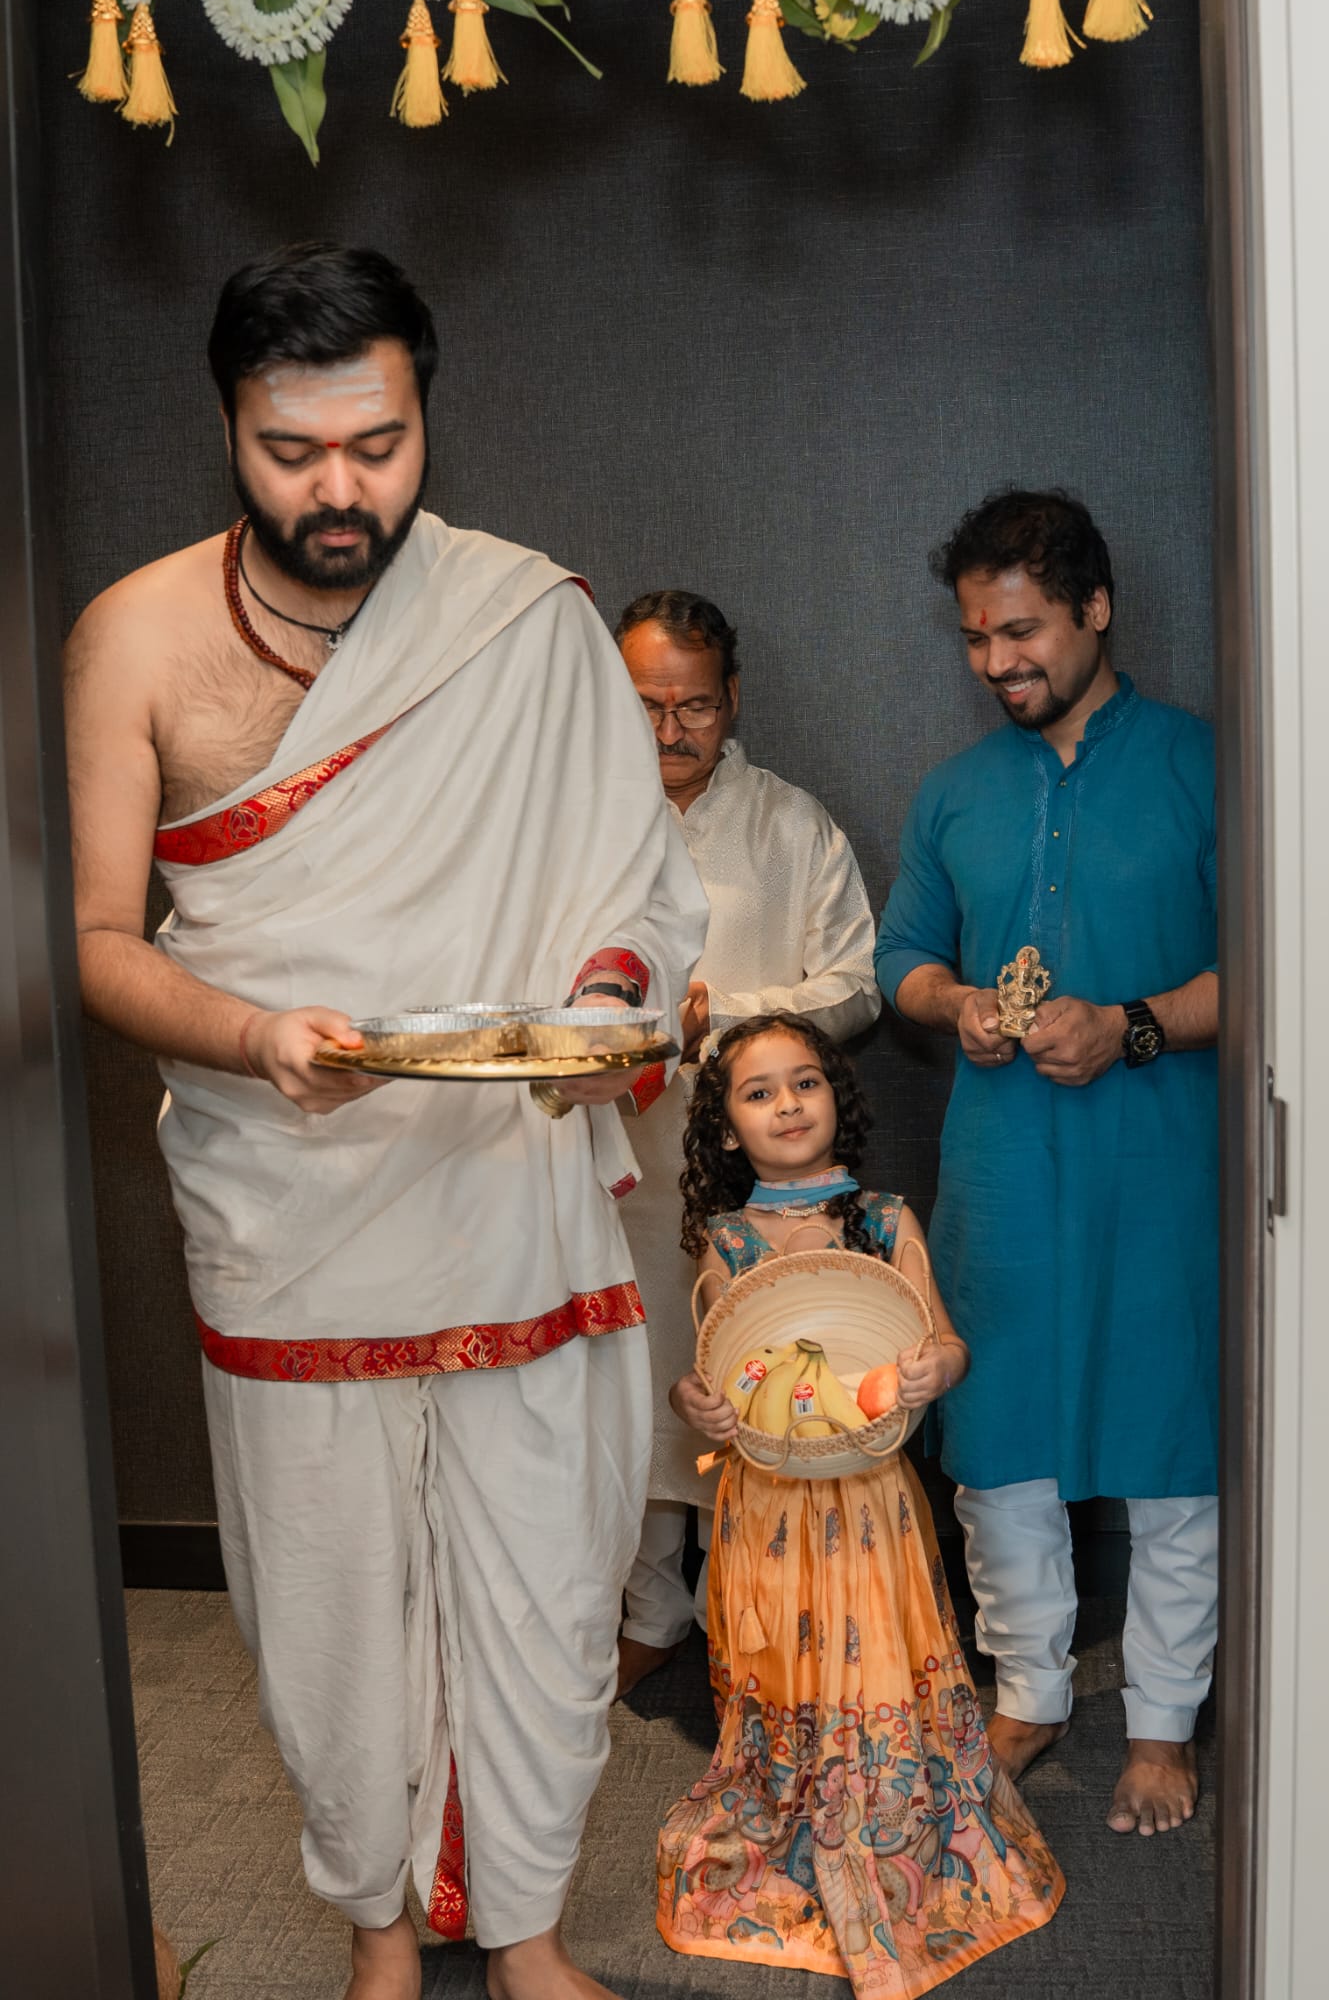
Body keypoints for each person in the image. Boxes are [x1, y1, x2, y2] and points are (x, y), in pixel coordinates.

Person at [62, 242, 709, 2000]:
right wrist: (262, 1035)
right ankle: (375, 1926)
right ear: (228, 424)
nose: (340, 486)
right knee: (335, 1593)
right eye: (293, 450)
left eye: (379, 441)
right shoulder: (134, 636)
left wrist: (593, 1010)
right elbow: (100, 943)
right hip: (287, 1192)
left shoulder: (523, 618)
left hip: (506, 1176)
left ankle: (524, 1931)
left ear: (425, 414)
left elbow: (639, 884)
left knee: (537, 1569)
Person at [875, 488, 1219, 1840]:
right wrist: (952, 1003)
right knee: (999, 1443)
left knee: (1171, 1448)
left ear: (1095, 609)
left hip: (1161, 1174)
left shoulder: (1201, 764)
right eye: (974, 639)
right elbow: (896, 958)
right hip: (1004, 1175)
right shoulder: (953, 793)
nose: (996, 661)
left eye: (1020, 632)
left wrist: (1132, 1024)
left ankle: (1161, 1724)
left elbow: (1283, 968)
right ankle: (1024, 1691)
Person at [658, 1012, 1064, 1992]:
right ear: (725, 1128)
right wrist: (694, 1399)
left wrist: (934, 1367)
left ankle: (875, 1811)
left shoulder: (883, 1218)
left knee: (872, 1654)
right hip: (769, 1504)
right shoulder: (725, 1237)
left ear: (839, 1096)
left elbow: (945, 1341)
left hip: (869, 1497)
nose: (789, 1103)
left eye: (807, 1081)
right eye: (759, 1092)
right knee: (790, 1661)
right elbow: (711, 1373)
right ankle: (800, 1792)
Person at [612, 591, 879, 1696]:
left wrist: (714, 1023)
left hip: (758, 1170)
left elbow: (857, 985)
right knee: (629, 1379)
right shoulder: (570, 817)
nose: (671, 730)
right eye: (645, 706)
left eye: (696, 708)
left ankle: (748, 1613)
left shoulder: (790, 822)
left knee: (747, 1372)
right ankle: (648, 1605)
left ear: (735, 701)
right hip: (612, 1156)